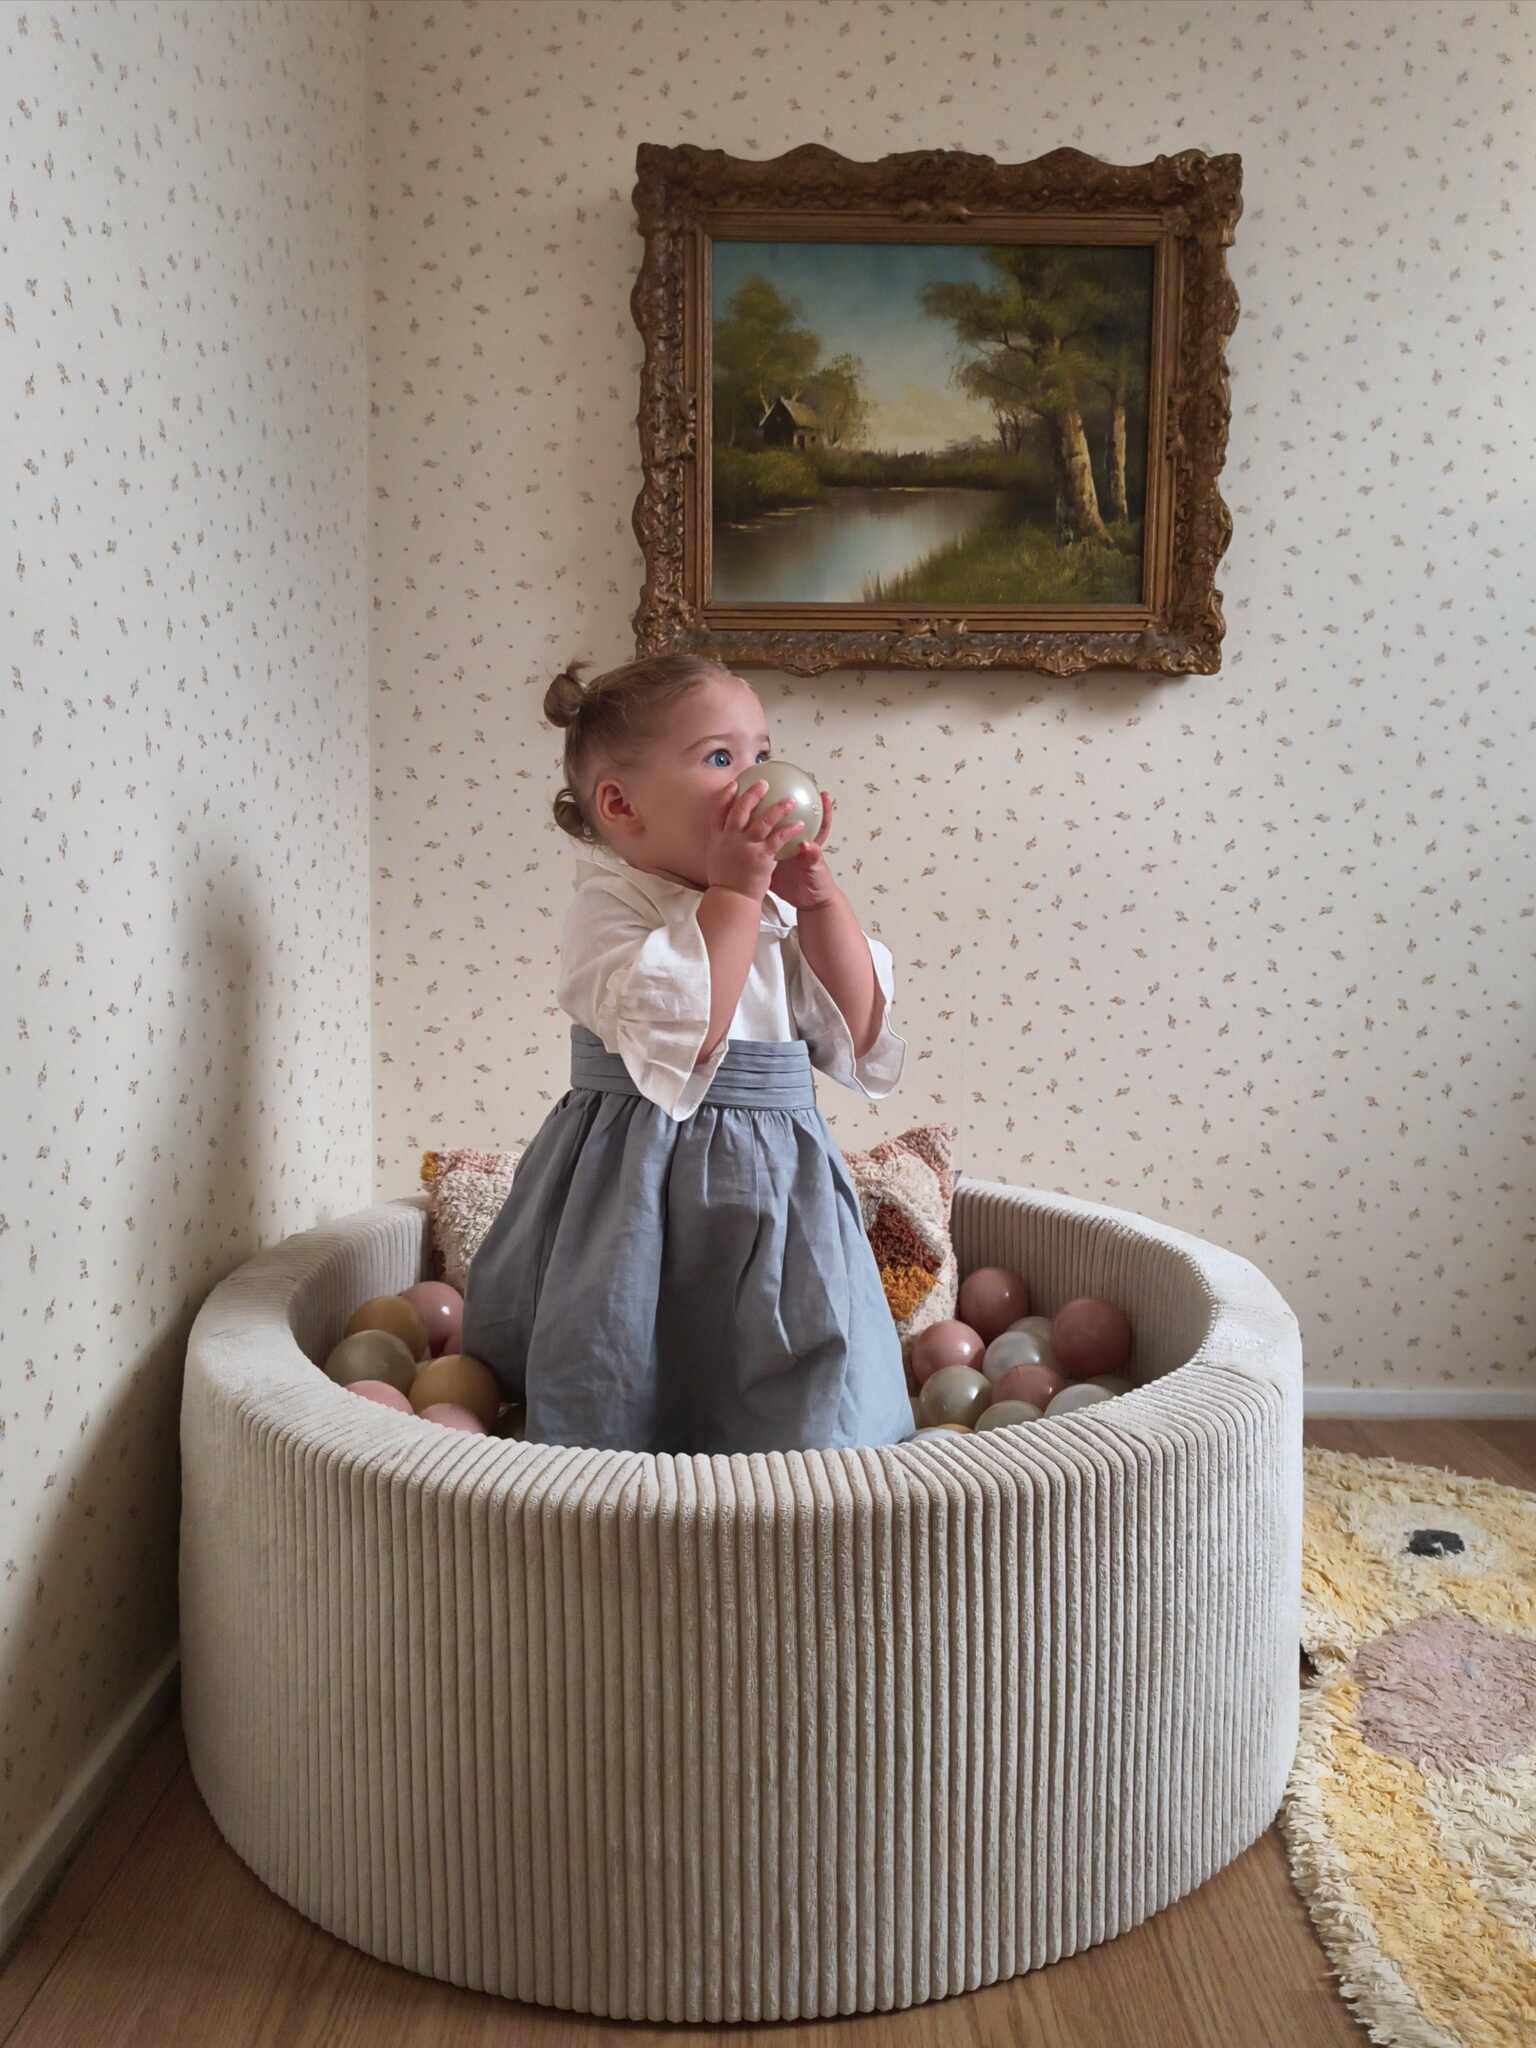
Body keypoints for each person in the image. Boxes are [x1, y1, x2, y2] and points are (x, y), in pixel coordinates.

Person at [460, 650, 916, 1455]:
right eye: (719, 759)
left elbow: (859, 1030)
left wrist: (819, 904)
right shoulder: (613, 908)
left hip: (776, 1186)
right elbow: (689, 1030)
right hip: (635, 1180)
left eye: (762, 753)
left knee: (792, 1340)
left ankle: (803, 1466)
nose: (758, 780)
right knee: (623, 1335)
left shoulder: (774, 906)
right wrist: (735, 893)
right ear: (622, 805)